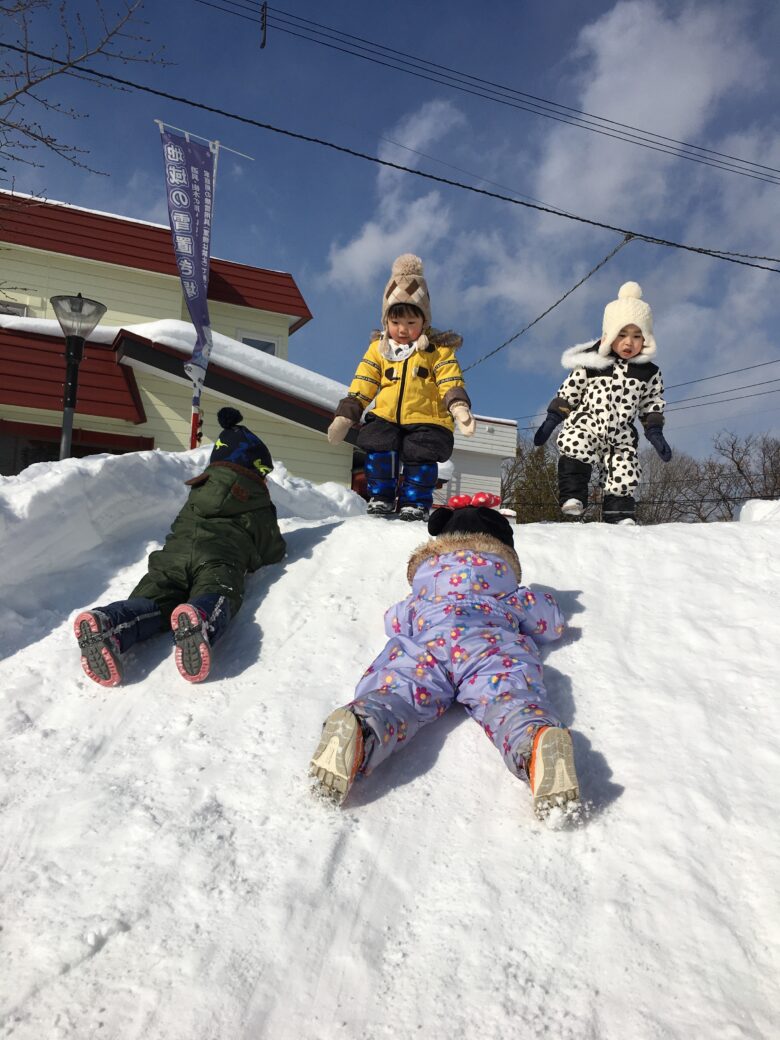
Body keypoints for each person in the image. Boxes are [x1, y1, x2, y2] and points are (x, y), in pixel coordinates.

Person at [309, 493, 580, 819]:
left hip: (427, 647)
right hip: (489, 650)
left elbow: (392, 622)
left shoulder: (423, 591)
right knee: (509, 698)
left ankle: (363, 725)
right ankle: (534, 743)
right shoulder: (507, 590)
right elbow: (549, 626)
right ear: (503, 554)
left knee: (398, 692)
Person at [73, 408, 287, 686]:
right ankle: (200, 617)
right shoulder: (256, 497)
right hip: (218, 558)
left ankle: (110, 623)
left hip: (172, 558)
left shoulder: (199, 488)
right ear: (257, 469)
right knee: (218, 591)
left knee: (154, 602)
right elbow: (272, 550)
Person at [326, 253, 476, 522]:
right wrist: (346, 414)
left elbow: (449, 379)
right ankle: (381, 496)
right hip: (386, 414)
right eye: (396, 323)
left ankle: (415, 502)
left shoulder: (437, 351)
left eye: (411, 323)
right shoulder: (379, 350)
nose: (403, 329)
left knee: (420, 453)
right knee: (378, 444)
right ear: (386, 322)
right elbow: (364, 381)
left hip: (426, 418)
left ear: (424, 323)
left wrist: (458, 406)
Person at [533, 281, 672, 525]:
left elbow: (652, 402)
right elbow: (571, 390)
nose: (629, 343)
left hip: (621, 433)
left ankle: (619, 515)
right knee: (575, 446)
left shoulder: (649, 371)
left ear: (647, 338)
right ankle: (573, 497)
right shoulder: (592, 363)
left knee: (625, 468)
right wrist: (553, 418)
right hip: (586, 424)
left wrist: (654, 430)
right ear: (608, 335)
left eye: (637, 336)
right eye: (622, 334)